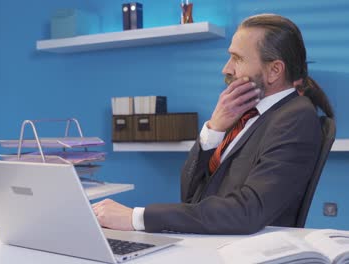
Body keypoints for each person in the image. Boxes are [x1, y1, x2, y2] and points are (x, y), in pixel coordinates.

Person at [92, 14, 334, 234]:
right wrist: (214, 128)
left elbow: (246, 212)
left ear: (274, 71)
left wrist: (136, 217)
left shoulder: (295, 117)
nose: (226, 68)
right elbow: (190, 193)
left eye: (237, 58)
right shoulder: (247, 113)